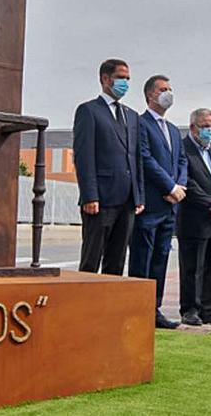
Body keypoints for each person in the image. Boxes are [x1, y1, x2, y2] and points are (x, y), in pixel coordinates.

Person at [73, 59, 145, 275]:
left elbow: (136, 157)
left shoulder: (131, 115)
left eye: (128, 79)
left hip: (127, 200)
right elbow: (84, 156)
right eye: (121, 77)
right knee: (91, 258)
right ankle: (85, 307)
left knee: (117, 259)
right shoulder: (89, 111)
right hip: (101, 199)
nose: (125, 83)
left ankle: (108, 307)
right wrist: (90, 195)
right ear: (105, 79)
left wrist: (139, 196)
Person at [132, 74, 187, 329]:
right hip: (150, 204)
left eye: (170, 88)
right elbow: (145, 158)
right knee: (142, 257)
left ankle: (154, 309)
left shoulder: (174, 130)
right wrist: (169, 186)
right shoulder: (140, 124)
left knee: (161, 257)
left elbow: (182, 161)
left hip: (169, 206)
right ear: (150, 95)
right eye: (163, 89)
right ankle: (137, 310)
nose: (169, 93)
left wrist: (179, 187)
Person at [176, 108, 211, 326]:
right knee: (192, 268)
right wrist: (210, 202)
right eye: (205, 126)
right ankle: (190, 309)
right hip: (195, 218)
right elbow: (186, 181)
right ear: (193, 127)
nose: (210, 130)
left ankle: (210, 309)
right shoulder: (184, 149)